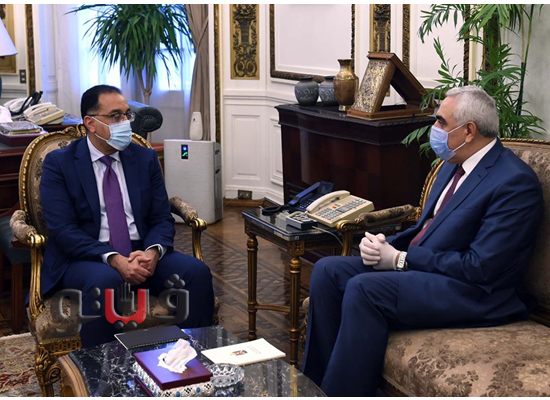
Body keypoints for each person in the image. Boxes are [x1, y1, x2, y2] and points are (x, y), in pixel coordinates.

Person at [302, 86, 544, 397]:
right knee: (328, 271)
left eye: (441, 122)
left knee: (365, 288)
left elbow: (481, 267)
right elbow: (427, 228)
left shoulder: (514, 182)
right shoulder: (452, 164)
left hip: (475, 292)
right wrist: (383, 243)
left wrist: (401, 259)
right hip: (431, 270)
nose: (434, 129)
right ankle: (313, 388)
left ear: (469, 130)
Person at [40, 85, 215, 347]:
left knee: (196, 273)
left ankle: (192, 358)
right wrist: (114, 260)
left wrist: (153, 253)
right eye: (115, 116)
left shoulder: (144, 158)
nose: (125, 123)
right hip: (86, 258)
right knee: (106, 281)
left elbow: (161, 218)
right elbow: (64, 230)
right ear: (91, 123)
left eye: (127, 115)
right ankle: (101, 370)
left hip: (140, 254)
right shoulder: (60, 163)